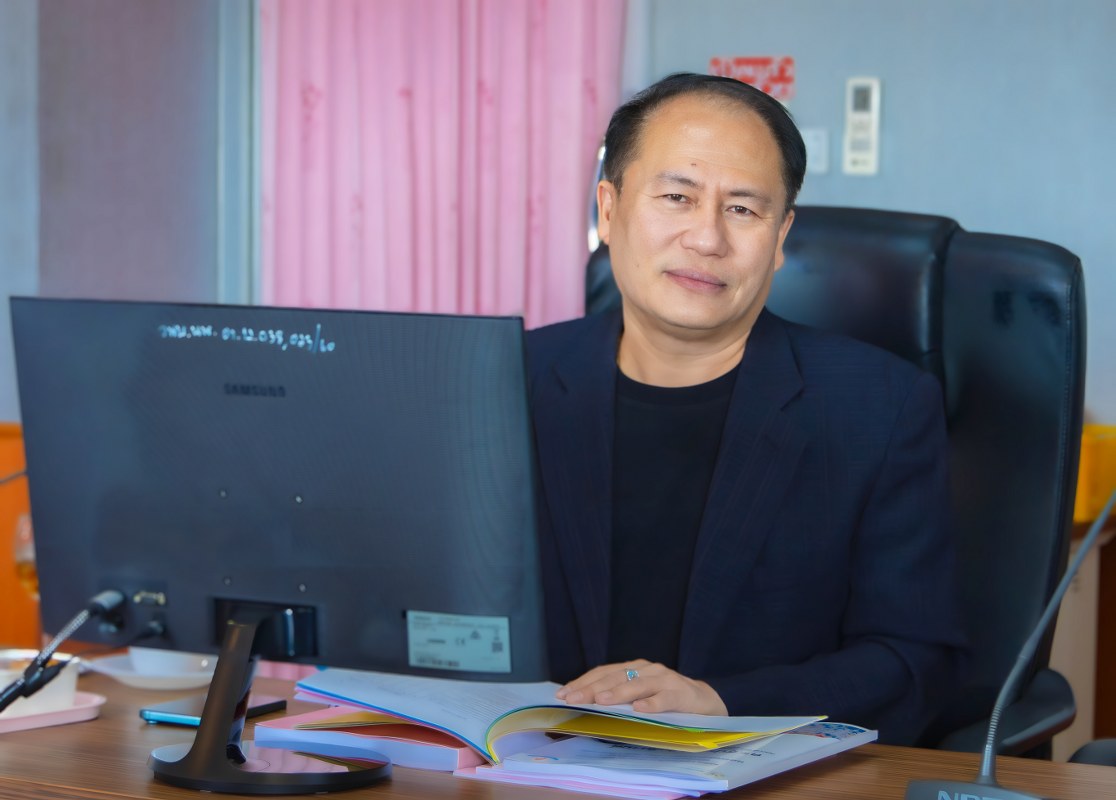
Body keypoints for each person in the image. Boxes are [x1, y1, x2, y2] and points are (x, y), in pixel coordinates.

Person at [526, 72, 966, 746]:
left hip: (765, 773)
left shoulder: (879, 408)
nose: (707, 238)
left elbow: (914, 661)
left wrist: (724, 703)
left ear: (781, 234)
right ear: (608, 211)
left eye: (742, 209)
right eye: (677, 196)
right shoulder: (509, 382)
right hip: (519, 767)